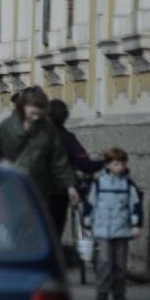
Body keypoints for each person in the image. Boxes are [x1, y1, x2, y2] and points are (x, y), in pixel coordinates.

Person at [0, 87, 79, 223]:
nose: (35, 118)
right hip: (9, 188)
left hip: (38, 190)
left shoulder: (47, 129)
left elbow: (59, 160)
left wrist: (70, 186)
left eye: (39, 114)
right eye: (32, 113)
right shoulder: (7, 127)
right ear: (23, 107)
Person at [83, 148, 143, 300]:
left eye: (122, 163)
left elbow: (136, 205)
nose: (120, 167)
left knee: (120, 264)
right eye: (116, 163)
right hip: (102, 229)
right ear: (108, 165)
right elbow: (90, 204)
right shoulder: (98, 184)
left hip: (121, 229)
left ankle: (119, 293)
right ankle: (102, 291)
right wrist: (87, 221)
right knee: (104, 262)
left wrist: (136, 225)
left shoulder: (128, 184)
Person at [46, 99, 104, 242]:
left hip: (37, 190)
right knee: (55, 229)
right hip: (60, 192)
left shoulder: (37, 137)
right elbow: (85, 164)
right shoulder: (68, 138)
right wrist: (104, 162)